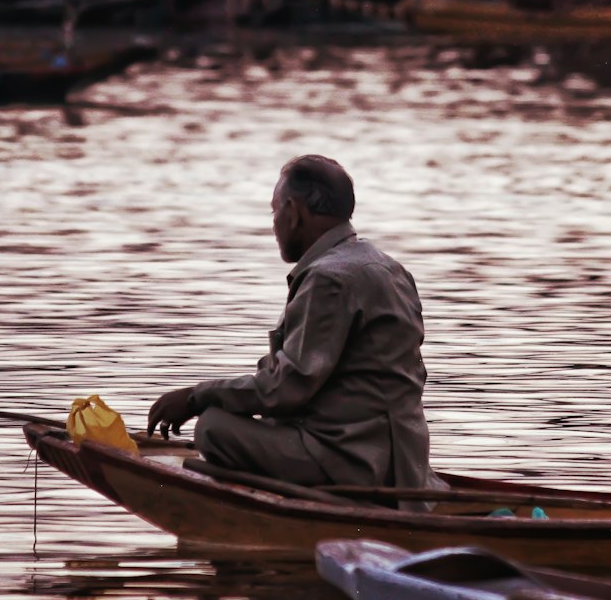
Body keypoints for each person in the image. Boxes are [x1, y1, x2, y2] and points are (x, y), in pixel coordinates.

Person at [147, 155, 439, 501]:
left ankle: (310, 504)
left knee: (213, 426)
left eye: (274, 212)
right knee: (251, 420)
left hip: (356, 461)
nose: (274, 225)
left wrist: (196, 397)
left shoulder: (328, 278)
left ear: (294, 211)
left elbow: (284, 390)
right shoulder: (388, 267)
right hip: (405, 461)